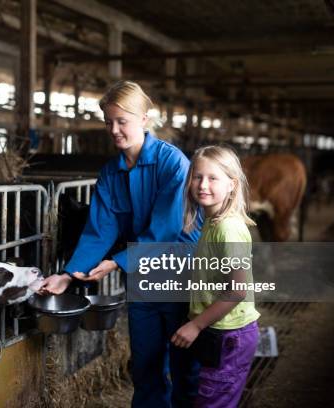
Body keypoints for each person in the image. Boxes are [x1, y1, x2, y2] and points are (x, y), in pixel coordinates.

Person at [39, 80, 201, 407]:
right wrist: (69, 275)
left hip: (180, 273)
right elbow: (100, 229)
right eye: (108, 121)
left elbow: (165, 231)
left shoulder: (173, 164)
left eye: (122, 121)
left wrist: (117, 262)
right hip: (140, 276)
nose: (114, 129)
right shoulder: (111, 173)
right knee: (144, 364)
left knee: (186, 365)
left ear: (144, 118)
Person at [170, 145, 260, 408]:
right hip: (219, 329)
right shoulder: (211, 221)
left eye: (212, 178)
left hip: (230, 335)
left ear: (232, 184)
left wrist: (195, 325)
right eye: (197, 176)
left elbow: (237, 290)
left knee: (213, 402)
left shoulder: (228, 229)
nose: (202, 185)